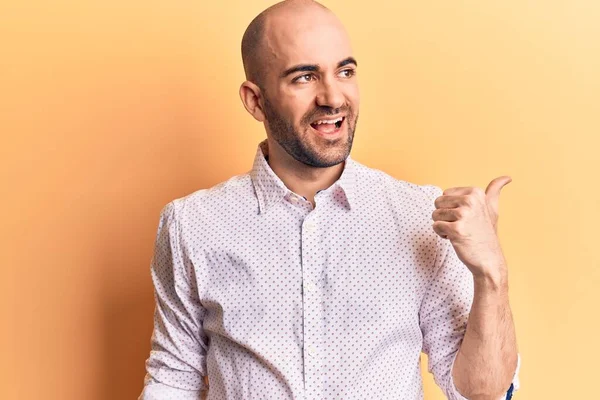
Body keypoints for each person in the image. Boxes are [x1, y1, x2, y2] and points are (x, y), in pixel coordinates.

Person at [138, 1, 521, 399]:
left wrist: (491, 273)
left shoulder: (421, 217)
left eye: (345, 71)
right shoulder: (192, 224)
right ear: (255, 101)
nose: (333, 98)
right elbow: (174, 379)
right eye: (304, 77)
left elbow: (483, 392)